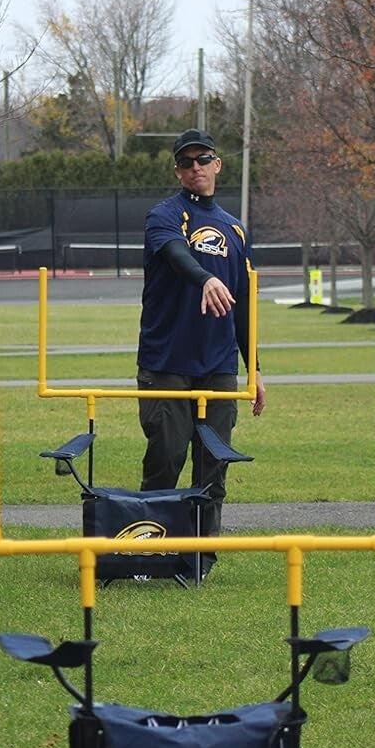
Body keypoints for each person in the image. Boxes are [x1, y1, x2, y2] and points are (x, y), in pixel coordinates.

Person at [137, 129, 265, 550]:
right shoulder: (165, 216)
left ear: (217, 164)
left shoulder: (235, 231)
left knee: (214, 465)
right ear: (178, 171)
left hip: (218, 367)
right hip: (167, 364)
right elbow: (176, 254)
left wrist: (255, 371)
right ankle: (151, 550)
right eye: (187, 162)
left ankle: (201, 554)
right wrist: (205, 277)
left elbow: (243, 306)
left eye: (203, 159)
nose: (196, 168)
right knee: (166, 460)